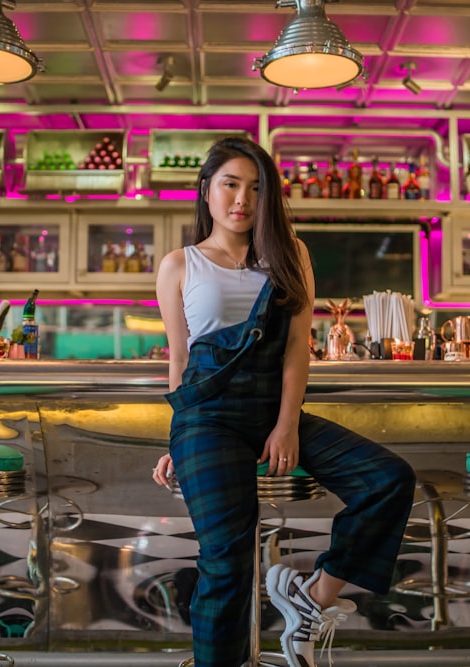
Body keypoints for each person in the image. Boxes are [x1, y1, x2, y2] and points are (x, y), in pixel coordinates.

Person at [152, 135, 415, 667]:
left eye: (255, 189)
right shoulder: (179, 265)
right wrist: (176, 439)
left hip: (273, 408)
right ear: (206, 190)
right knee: (227, 558)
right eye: (230, 184)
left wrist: (287, 423)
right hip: (207, 417)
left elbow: (298, 349)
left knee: (389, 479)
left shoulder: (290, 255)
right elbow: (179, 361)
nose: (241, 200)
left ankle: (314, 596)